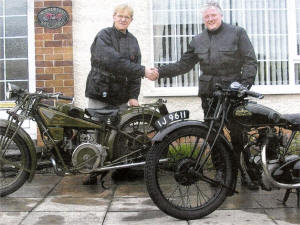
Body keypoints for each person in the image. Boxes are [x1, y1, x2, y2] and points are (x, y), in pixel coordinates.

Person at [156, 1, 258, 189]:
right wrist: (160, 72)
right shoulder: (198, 40)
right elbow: (183, 65)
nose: (210, 19)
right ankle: (221, 172)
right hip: (210, 95)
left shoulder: (237, 33)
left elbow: (250, 61)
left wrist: (244, 85)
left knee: (238, 136)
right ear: (203, 19)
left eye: (213, 16)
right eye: (207, 17)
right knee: (213, 134)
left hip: (233, 94)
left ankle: (246, 173)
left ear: (221, 16)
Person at [84, 4, 158, 185]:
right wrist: (142, 70)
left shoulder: (133, 41)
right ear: (114, 16)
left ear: (131, 20)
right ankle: (93, 171)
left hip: (121, 96)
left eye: (127, 17)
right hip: (99, 93)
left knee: (122, 134)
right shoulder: (103, 36)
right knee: (97, 132)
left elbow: (134, 73)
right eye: (120, 16)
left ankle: (121, 170)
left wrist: (133, 96)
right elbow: (113, 61)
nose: (123, 19)